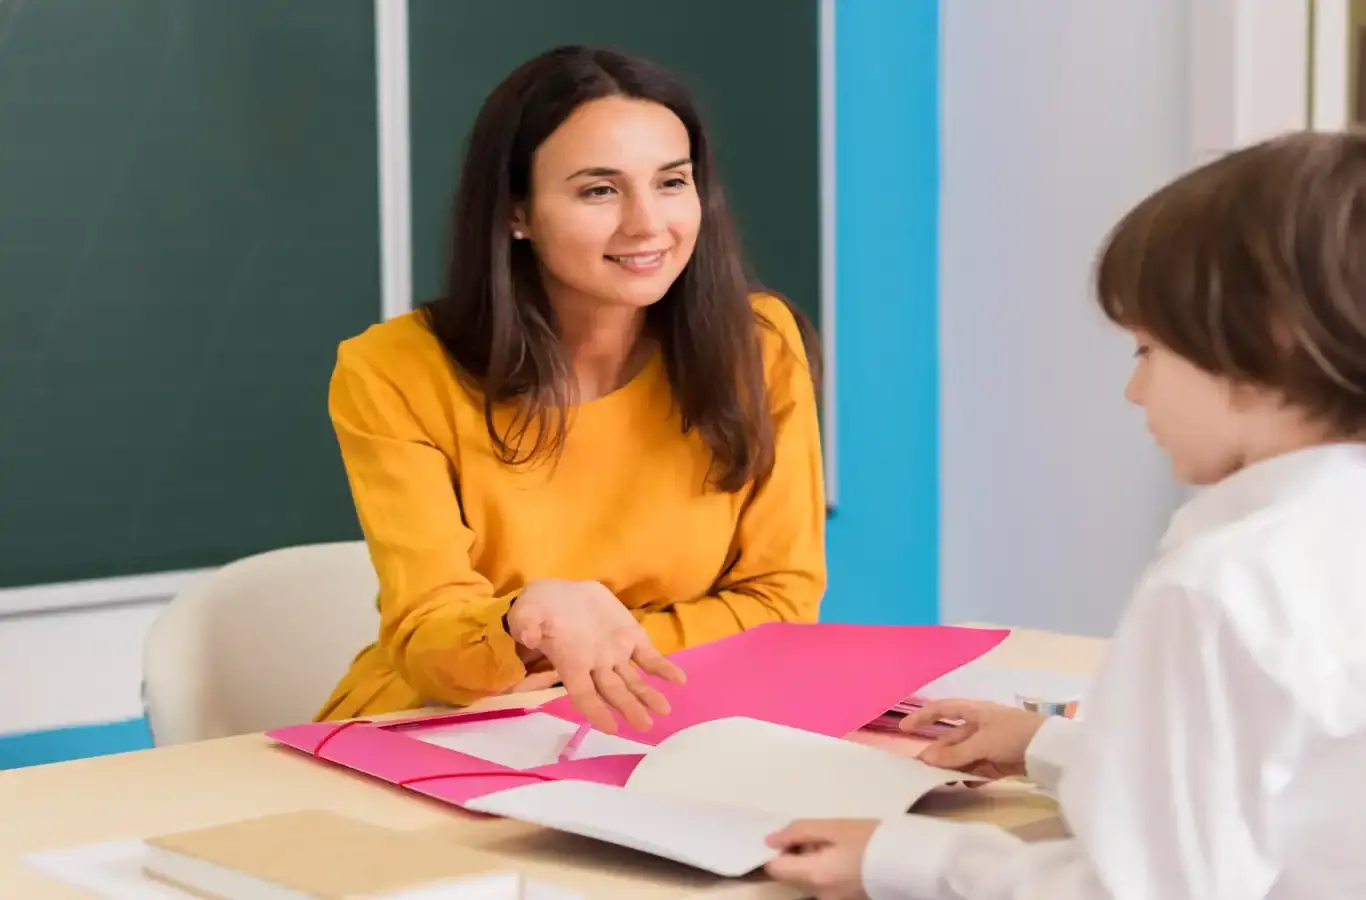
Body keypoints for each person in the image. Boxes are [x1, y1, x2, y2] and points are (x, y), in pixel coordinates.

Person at [763, 130, 1366, 899]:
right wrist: (1050, 744)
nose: (1135, 393)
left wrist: (902, 861)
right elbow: (1274, 785)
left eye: (1147, 351)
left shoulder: (1222, 588)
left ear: (1268, 343)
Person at [314, 45, 826, 734]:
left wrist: (595, 650)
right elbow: (430, 640)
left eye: (672, 182)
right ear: (516, 213)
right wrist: (526, 620)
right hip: (455, 724)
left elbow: (782, 603)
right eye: (599, 190)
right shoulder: (394, 370)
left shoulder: (759, 343)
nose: (648, 224)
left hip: (678, 716)